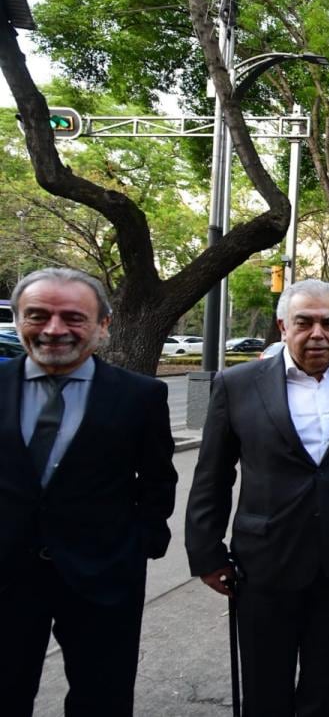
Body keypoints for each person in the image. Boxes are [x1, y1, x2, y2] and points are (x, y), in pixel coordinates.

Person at [185, 279, 329, 715]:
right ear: (283, 326)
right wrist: (206, 552)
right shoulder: (237, 383)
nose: (317, 333)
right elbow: (212, 473)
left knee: (327, 679)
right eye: (304, 322)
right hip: (264, 559)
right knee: (265, 684)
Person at [0, 268, 177, 716]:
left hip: (104, 578)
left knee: (103, 699)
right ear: (18, 320)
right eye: (37, 315)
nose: (54, 329)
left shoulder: (141, 397)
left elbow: (158, 481)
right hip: (4, 576)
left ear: (103, 325)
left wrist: (139, 546)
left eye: (73, 318)